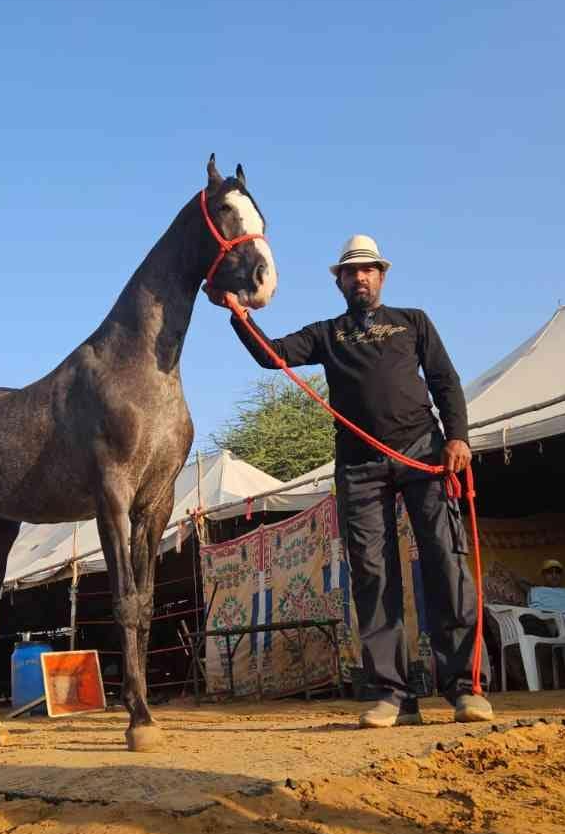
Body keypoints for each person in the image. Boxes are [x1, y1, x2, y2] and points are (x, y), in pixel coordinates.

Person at [206, 234, 492, 727]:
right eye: (351, 271)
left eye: (368, 270)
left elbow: (445, 381)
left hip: (424, 453)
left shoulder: (413, 322)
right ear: (339, 281)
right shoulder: (328, 333)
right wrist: (238, 312)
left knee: (446, 563)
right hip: (359, 466)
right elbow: (271, 355)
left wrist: (458, 437)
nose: (360, 277)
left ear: (381, 277)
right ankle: (391, 695)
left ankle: (464, 687)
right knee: (373, 575)